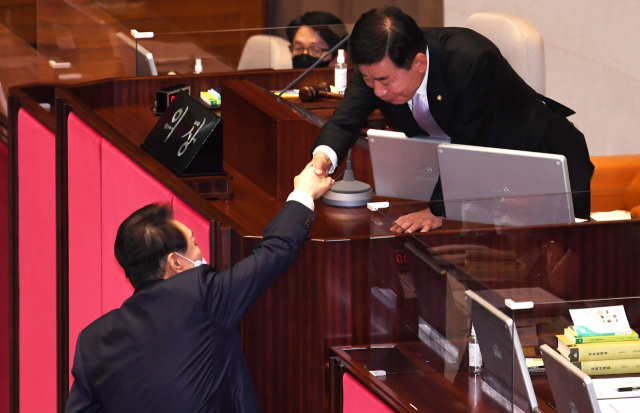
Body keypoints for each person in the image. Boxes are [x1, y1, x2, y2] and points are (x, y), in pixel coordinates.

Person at [64, 164, 334, 413]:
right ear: (176, 263)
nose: (202, 252)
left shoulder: (92, 343)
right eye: (194, 245)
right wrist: (304, 192)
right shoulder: (200, 295)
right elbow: (274, 252)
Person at [311, 7, 594, 232]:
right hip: (483, 175)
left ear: (419, 63)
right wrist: (322, 159)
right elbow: (346, 119)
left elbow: (469, 147)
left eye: (385, 81)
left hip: (538, 160)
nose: (378, 91)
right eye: (369, 80)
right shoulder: (377, 67)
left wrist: (437, 210)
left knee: (556, 271)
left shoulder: (472, 61)